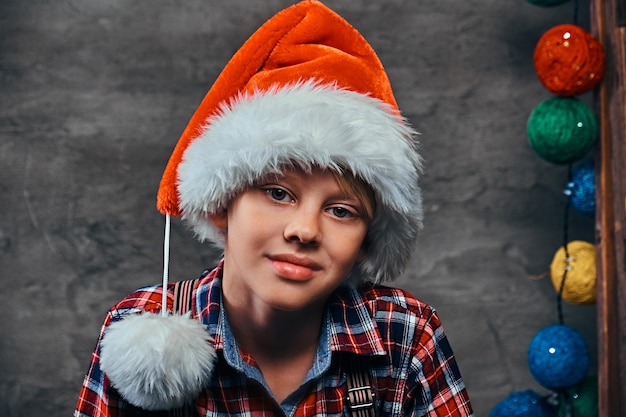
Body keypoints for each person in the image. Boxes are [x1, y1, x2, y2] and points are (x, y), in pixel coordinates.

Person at [75, 1, 474, 416]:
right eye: (278, 194)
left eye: (341, 211)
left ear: (367, 239)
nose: (304, 231)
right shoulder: (142, 332)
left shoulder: (406, 335)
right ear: (221, 205)